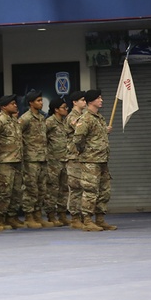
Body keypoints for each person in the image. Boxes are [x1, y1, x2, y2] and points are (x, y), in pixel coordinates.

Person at [73, 89, 116, 231]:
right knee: (90, 191)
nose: (101, 100)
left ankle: (100, 219)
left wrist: (105, 131)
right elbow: (78, 139)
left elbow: (97, 136)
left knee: (104, 190)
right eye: (98, 98)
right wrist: (86, 152)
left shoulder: (99, 118)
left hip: (102, 159)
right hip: (91, 161)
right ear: (91, 101)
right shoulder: (85, 118)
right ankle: (87, 221)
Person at [19, 90, 53, 228]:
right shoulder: (25, 118)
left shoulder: (41, 117)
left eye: (41, 100)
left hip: (42, 157)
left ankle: (38, 214)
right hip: (30, 159)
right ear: (31, 103)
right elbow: (17, 136)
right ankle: (29, 216)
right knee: (30, 188)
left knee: (41, 188)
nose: (41, 102)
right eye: (38, 100)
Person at [0, 94, 24, 229]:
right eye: (12, 103)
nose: (15, 105)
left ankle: (12, 216)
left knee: (16, 191)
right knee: (3, 191)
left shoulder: (14, 120)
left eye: (15, 103)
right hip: (4, 161)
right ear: (4, 106)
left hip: (16, 159)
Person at [44, 97, 71, 226]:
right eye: (64, 107)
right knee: (52, 189)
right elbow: (41, 139)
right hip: (53, 161)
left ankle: (62, 214)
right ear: (56, 109)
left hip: (65, 159)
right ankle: (51, 215)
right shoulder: (49, 122)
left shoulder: (65, 122)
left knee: (64, 189)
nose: (66, 109)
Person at [64, 91, 87, 229]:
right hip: (74, 157)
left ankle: (83, 215)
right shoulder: (72, 117)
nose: (84, 102)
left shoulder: (82, 116)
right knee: (75, 188)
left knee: (84, 187)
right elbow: (83, 130)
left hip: (82, 156)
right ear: (74, 102)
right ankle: (75, 217)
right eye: (82, 100)